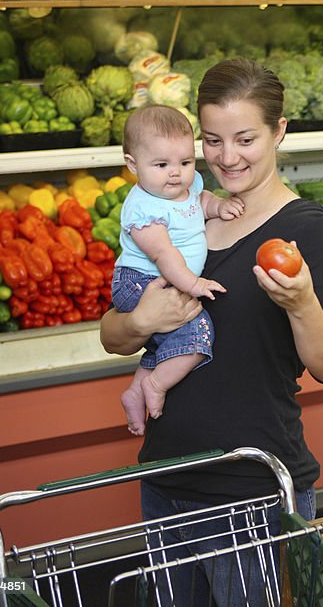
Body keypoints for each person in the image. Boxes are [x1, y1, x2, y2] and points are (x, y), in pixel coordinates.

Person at [100, 58, 323, 604]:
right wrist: (140, 320)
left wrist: (303, 301)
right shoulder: (174, 210)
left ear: (279, 130)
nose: (226, 157)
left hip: (253, 491)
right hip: (167, 477)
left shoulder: (308, 231)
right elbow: (112, 335)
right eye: (212, 140)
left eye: (245, 139)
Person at [114, 104, 244, 436]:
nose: (176, 173)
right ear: (133, 165)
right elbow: (164, 254)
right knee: (198, 334)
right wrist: (193, 283)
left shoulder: (183, 190)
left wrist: (218, 206)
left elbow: (198, 203)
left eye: (185, 162)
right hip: (143, 282)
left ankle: (135, 391)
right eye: (161, 165)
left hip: (167, 279)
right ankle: (156, 384)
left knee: (164, 344)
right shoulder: (143, 208)